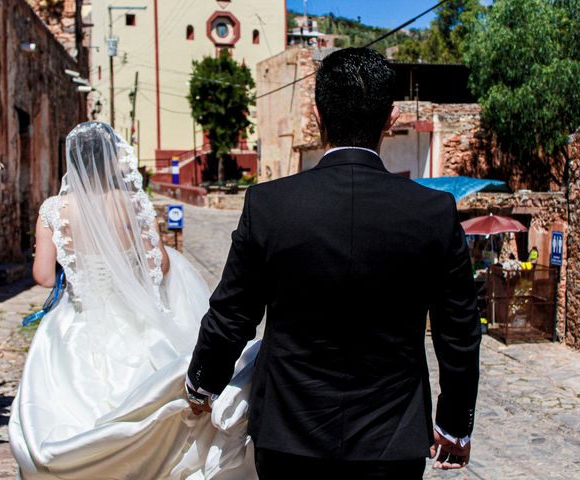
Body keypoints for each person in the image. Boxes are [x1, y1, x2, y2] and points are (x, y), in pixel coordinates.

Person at [186, 47, 481, 479]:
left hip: (289, 435)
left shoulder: (269, 205)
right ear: (390, 119)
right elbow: (459, 332)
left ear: (318, 116)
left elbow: (232, 314)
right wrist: (454, 425)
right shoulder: (434, 213)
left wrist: (201, 383)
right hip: (392, 440)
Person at [9, 122, 258, 479]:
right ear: (112, 160)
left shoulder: (53, 210)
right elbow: (161, 263)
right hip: (130, 318)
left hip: (76, 321)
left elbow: (44, 276)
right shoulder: (130, 203)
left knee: (63, 402)